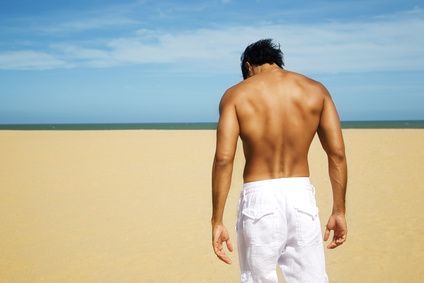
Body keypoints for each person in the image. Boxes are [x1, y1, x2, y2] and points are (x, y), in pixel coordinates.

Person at [211, 39, 347, 283]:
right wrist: (339, 210)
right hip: (301, 196)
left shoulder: (235, 95)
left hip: (259, 198)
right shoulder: (316, 90)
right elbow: (336, 154)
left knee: (258, 279)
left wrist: (217, 220)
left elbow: (223, 159)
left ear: (248, 66)